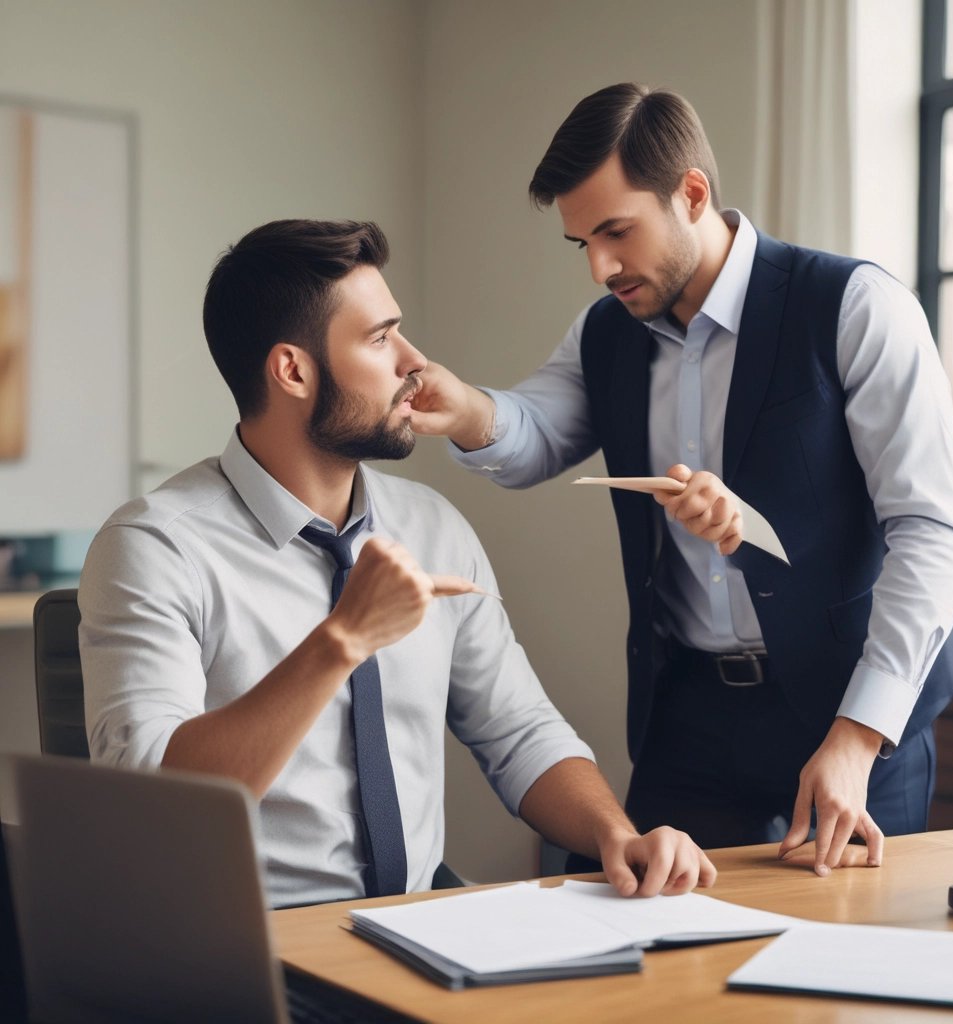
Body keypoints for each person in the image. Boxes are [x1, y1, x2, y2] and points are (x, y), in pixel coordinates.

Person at [409, 83, 953, 877]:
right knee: (656, 945)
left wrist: (858, 735)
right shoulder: (608, 331)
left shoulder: (856, 306)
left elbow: (933, 532)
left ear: (693, 193)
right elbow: (536, 434)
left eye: (617, 232)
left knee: (851, 973)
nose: (601, 267)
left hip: (851, 704)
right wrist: (463, 406)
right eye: (584, 244)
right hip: (692, 716)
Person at [79, 218, 716, 908]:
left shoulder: (433, 525)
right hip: (247, 949)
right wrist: (341, 641)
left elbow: (519, 730)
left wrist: (614, 835)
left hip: (416, 932)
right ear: (293, 370)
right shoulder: (154, 546)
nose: (414, 362)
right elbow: (154, 805)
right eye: (380, 339)